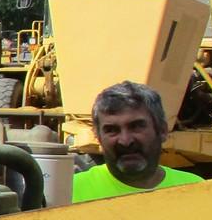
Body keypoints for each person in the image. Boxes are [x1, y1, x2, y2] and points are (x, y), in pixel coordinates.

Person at [72, 80, 204, 202]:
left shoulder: (197, 191)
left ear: (162, 130)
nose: (125, 141)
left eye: (136, 126)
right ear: (98, 136)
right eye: (112, 130)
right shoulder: (70, 193)